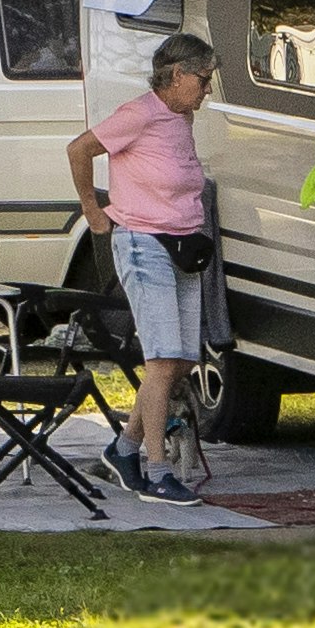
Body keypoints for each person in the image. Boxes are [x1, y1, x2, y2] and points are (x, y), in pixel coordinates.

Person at [70, 29, 224, 496]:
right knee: (161, 361)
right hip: (143, 242)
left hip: (182, 244)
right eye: (203, 78)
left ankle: (123, 449)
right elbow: (79, 149)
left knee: (180, 361)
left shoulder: (181, 117)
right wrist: (94, 213)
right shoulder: (138, 113)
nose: (207, 88)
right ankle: (157, 472)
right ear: (177, 76)